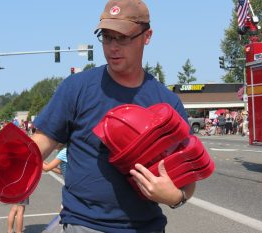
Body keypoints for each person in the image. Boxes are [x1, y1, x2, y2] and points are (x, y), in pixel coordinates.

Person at [32, 1, 195, 232]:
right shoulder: (76, 88)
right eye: (107, 37)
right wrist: (9, 162)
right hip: (83, 224)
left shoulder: (168, 103)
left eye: (122, 38)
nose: (112, 47)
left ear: (147, 36)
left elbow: (188, 178)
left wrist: (175, 197)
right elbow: (40, 144)